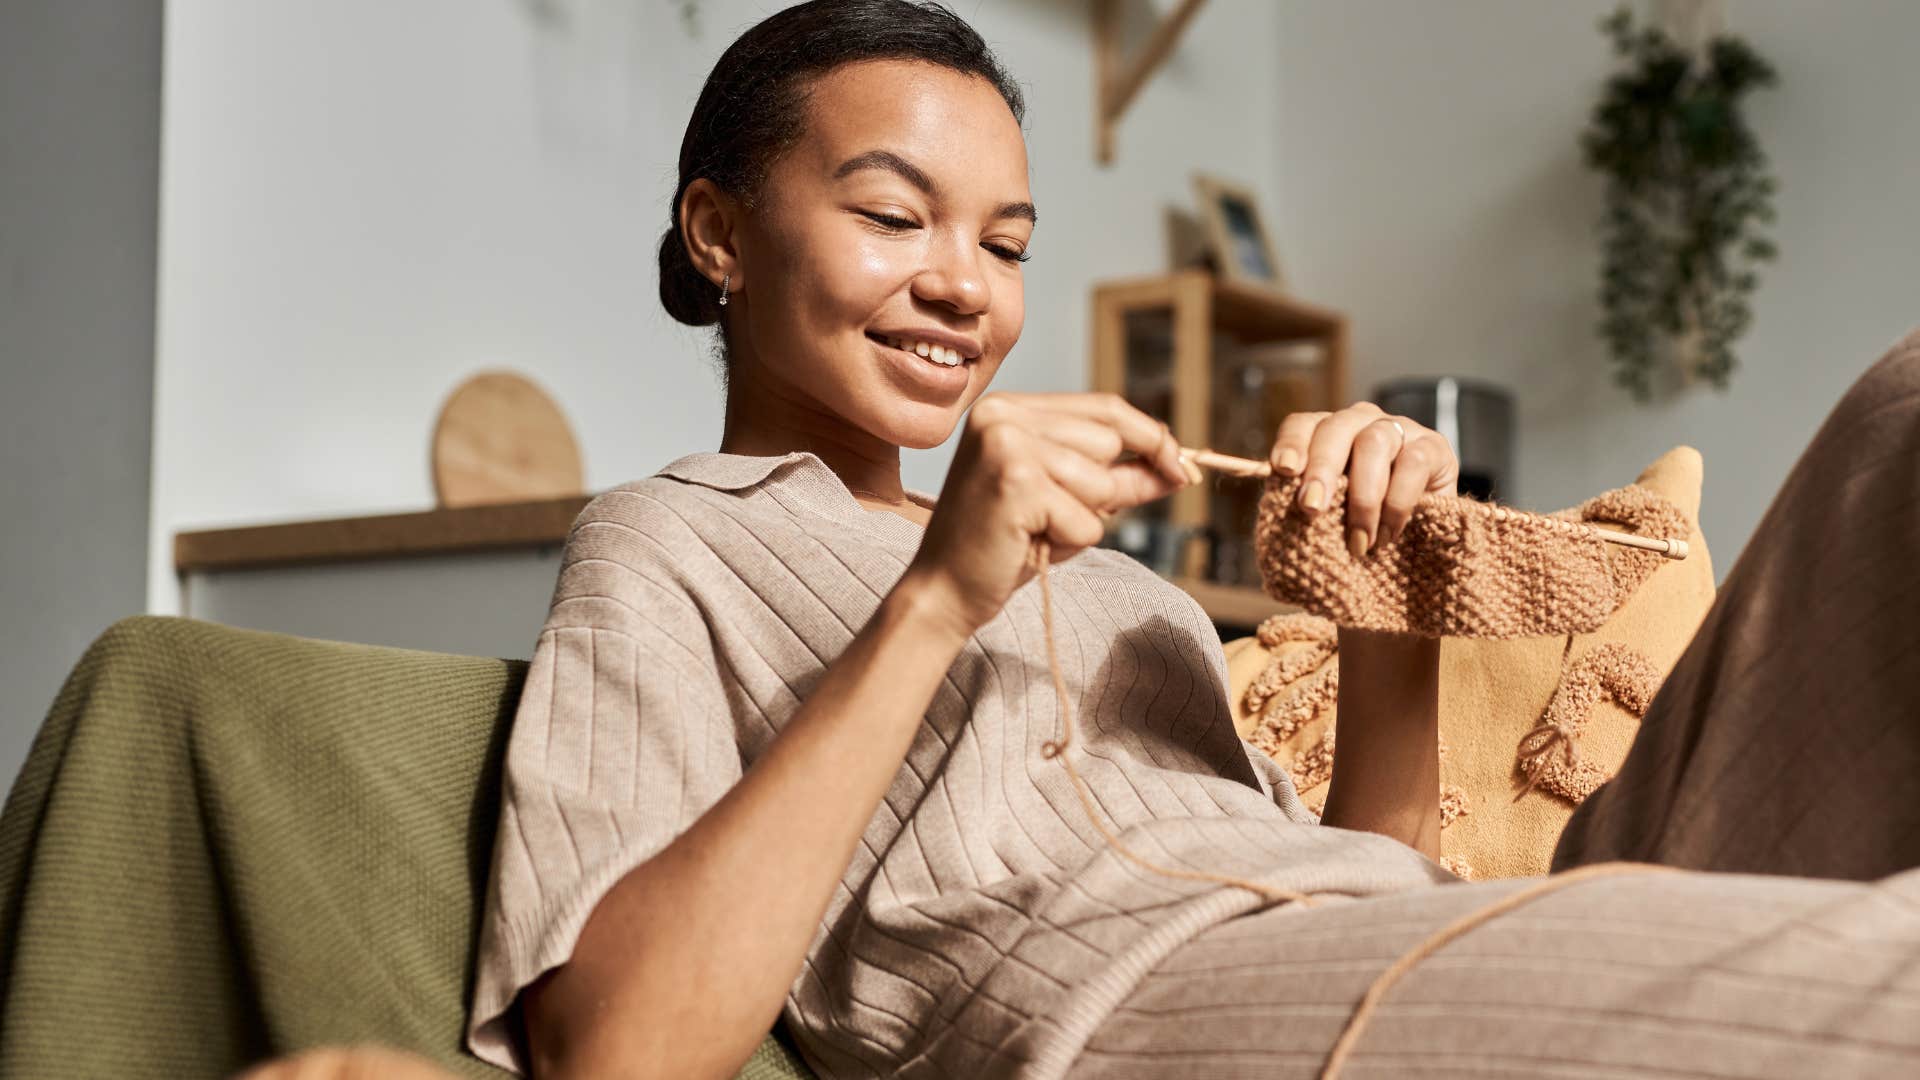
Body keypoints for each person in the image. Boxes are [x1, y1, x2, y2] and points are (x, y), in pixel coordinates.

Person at [464, 2, 1920, 1078]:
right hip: (1143, 1007)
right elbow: (617, 1052)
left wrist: (1385, 607)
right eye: (896, 217)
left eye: (1009, 245)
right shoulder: (665, 544)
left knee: (1900, 415)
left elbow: (1381, 868)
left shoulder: (1109, 577)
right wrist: (935, 601)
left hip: (1397, 935)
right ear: (718, 235)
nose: (963, 286)